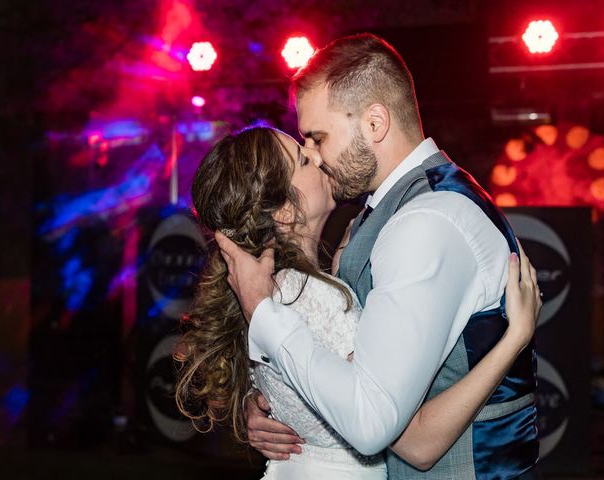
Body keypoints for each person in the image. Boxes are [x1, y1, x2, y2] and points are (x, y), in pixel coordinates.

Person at [215, 34, 542, 479]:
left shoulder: (425, 224)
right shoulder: (389, 212)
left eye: (317, 137)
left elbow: (378, 424)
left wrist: (264, 314)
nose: (312, 153)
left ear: (374, 124)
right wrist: (280, 405)